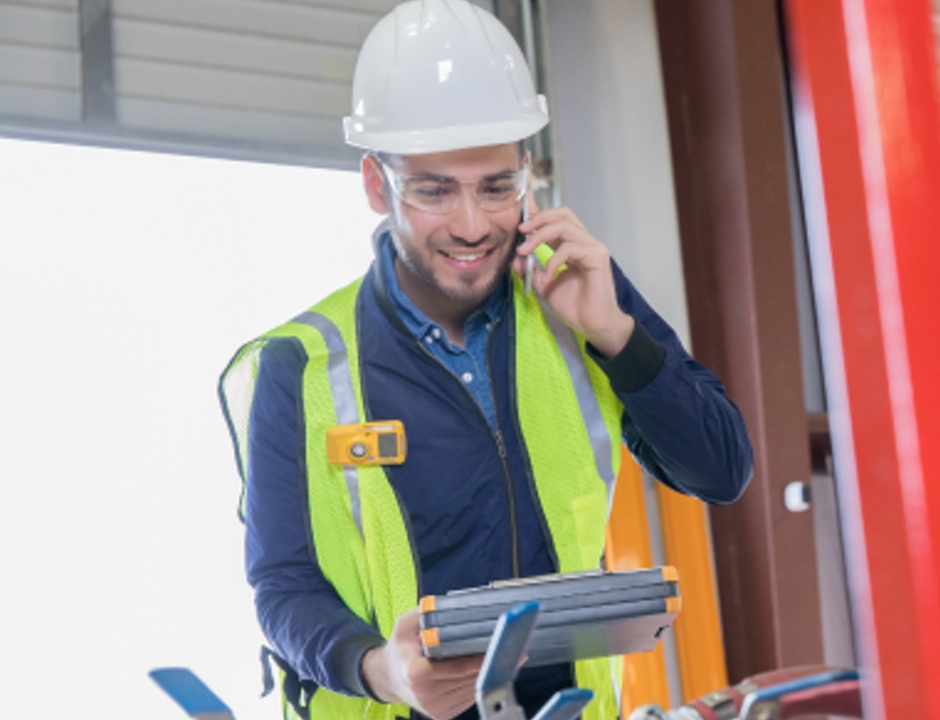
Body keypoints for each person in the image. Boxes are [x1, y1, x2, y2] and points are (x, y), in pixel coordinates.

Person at [217, 2, 753, 719]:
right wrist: (382, 670)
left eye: (496, 187)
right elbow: (282, 587)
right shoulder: (299, 366)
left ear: (527, 174)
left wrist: (616, 336)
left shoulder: (580, 295)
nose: (472, 226)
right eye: (435, 190)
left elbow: (720, 470)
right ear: (378, 185)